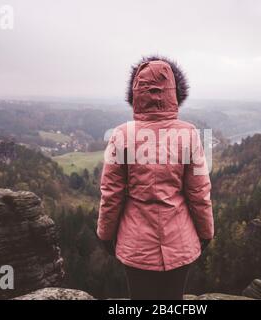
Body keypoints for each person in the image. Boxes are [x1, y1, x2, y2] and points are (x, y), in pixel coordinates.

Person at [97, 56, 214, 300]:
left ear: (136, 94)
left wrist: (106, 235)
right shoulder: (189, 134)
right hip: (180, 241)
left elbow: (111, 194)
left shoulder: (122, 135)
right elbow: (199, 193)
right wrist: (206, 233)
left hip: (136, 245)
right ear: (174, 93)